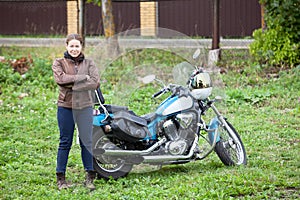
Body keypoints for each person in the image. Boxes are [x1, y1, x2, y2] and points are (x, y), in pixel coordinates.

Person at [52, 33, 99, 190]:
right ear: (66, 46)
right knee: (65, 141)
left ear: (81, 47)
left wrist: (72, 82)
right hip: (66, 106)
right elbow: (60, 79)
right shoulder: (58, 62)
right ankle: (61, 178)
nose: (74, 49)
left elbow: (95, 82)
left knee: (87, 141)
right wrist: (82, 77)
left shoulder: (90, 63)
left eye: (77, 46)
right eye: (71, 46)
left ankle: (89, 177)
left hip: (85, 106)